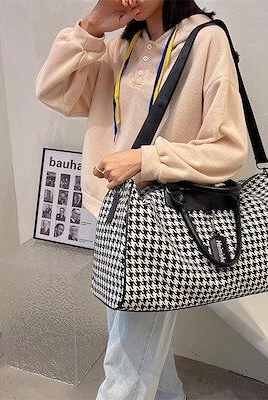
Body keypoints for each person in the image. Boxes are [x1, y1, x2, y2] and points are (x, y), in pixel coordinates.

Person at [35, 0, 249, 399]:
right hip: (113, 211)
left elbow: (227, 147)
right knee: (136, 340)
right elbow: (55, 92)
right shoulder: (121, 45)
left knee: (127, 364)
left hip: (163, 219)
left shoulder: (206, 39)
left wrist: (145, 159)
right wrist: (92, 26)